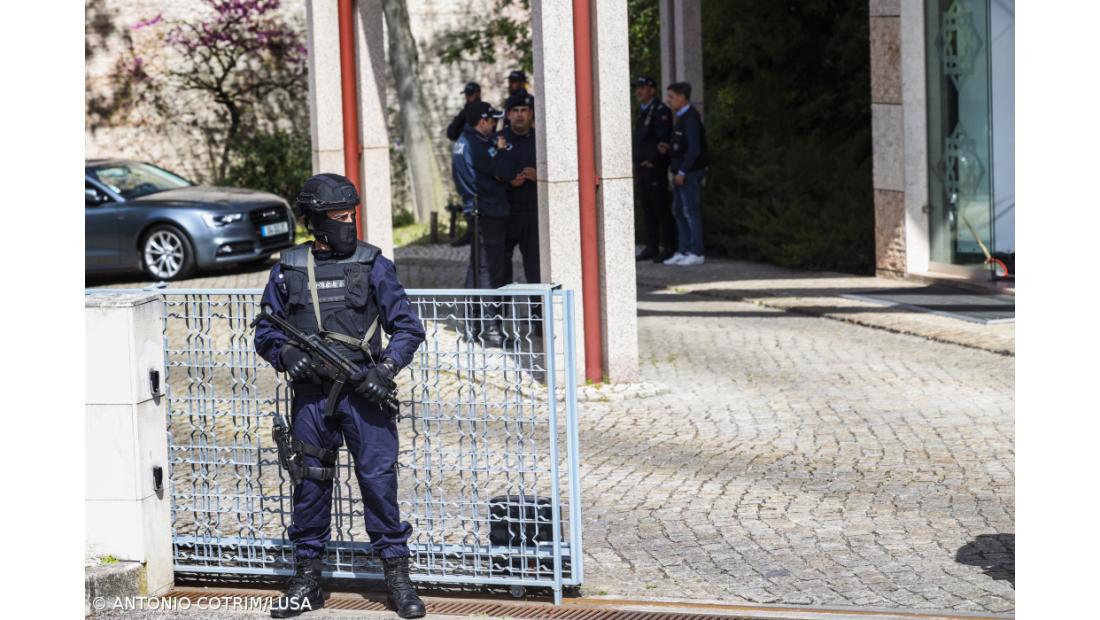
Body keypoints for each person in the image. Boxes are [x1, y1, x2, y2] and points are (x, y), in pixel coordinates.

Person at [253, 173, 427, 619]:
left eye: (352, 215)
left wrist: (385, 370)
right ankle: (307, 577)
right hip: (311, 400)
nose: (348, 224)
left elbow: (408, 327)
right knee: (309, 483)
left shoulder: (373, 264)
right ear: (316, 220)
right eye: (338, 217)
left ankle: (397, 576)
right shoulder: (288, 269)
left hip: (364, 394)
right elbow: (267, 330)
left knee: (378, 483)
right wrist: (286, 353)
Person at [451, 101, 510, 347]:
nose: (495, 126)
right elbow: (501, 170)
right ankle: (490, 328)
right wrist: (501, 149)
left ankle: (473, 324)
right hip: (487, 211)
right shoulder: (477, 145)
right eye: (493, 121)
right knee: (489, 271)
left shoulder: (463, 142)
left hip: (477, 210)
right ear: (482, 121)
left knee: (476, 269)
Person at [494, 91, 539, 286]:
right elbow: (487, 170)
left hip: (533, 212)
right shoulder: (498, 140)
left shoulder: (541, 140)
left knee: (536, 268)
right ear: (508, 114)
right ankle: (500, 315)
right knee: (501, 268)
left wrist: (539, 176)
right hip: (507, 211)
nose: (520, 115)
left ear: (530, 113)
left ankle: (538, 315)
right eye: (515, 111)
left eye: (524, 110)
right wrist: (508, 179)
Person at [631, 75, 676, 263]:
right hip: (641, 168)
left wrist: (651, 160)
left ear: (652, 89)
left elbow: (663, 139)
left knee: (660, 207)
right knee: (647, 208)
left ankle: (668, 246)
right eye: (637, 88)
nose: (639, 92)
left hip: (654, 167)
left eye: (642, 87)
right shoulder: (642, 111)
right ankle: (652, 246)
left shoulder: (660, 111)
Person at [663, 82, 708, 266]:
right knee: (679, 211)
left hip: (689, 172)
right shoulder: (681, 117)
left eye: (672, 96)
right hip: (680, 172)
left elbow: (695, 149)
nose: (669, 100)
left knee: (690, 211)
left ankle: (696, 252)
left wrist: (682, 171)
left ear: (682, 97)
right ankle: (683, 249)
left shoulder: (691, 117)